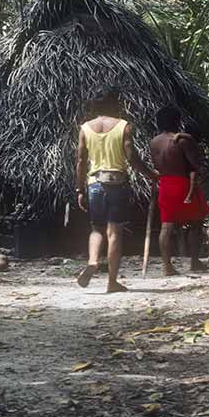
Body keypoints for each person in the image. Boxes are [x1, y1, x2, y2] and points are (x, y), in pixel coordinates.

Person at [75, 89, 157, 293]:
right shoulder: (123, 126)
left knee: (96, 228)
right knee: (115, 232)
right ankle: (112, 282)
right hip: (117, 183)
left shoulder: (85, 128)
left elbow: (81, 161)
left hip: (94, 183)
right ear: (114, 104)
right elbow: (131, 157)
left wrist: (79, 189)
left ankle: (93, 261)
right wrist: (150, 174)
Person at [150, 106, 209, 275]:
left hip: (165, 184)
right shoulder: (181, 141)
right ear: (177, 121)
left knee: (166, 226)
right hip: (184, 184)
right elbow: (196, 162)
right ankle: (194, 262)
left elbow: (156, 165)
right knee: (196, 223)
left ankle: (167, 266)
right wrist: (190, 139)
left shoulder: (154, 142)